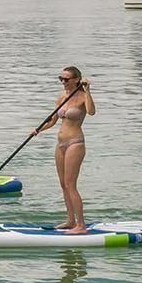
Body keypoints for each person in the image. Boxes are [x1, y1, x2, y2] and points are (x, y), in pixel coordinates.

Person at [33, 66, 95, 234]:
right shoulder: (62, 98)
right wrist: (38, 130)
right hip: (60, 144)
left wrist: (88, 90)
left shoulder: (82, 97)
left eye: (66, 79)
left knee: (71, 184)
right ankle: (70, 220)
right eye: (61, 79)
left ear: (76, 80)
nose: (63, 82)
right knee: (63, 184)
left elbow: (91, 112)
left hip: (75, 143)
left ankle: (81, 225)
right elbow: (52, 120)